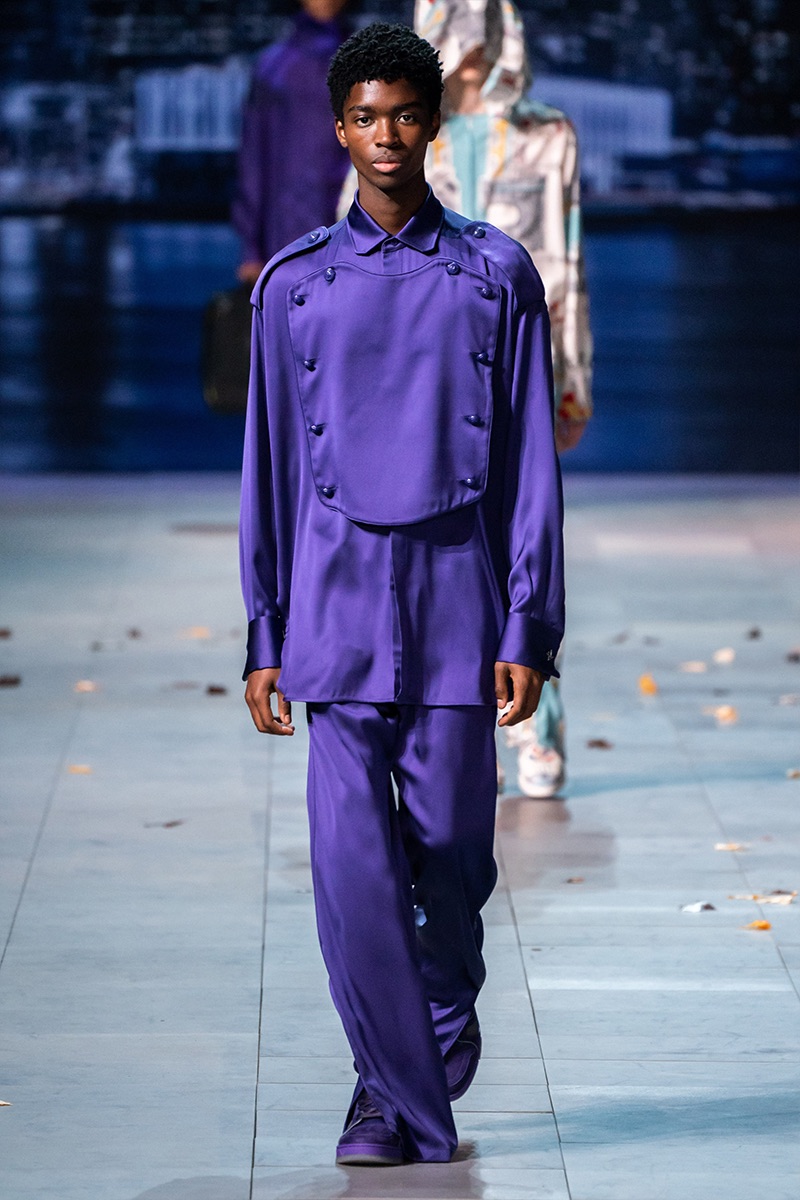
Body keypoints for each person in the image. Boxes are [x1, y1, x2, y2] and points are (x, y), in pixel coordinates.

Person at [240, 21, 564, 1166]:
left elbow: (527, 464)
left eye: (403, 115)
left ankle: (428, 1034)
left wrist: (529, 622)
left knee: (454, 859)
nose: (384, 135)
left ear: (431, 124)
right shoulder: (292, 287)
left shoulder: (496, 275)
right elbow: (270, 466)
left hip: (455, 611)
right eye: (363, 117)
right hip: (332, 614)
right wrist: (264, 632)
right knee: (350, 871)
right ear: (339, 129)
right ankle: (389, 1101)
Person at [409, 0, 591, 798]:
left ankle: (535, 726)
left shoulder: (550, 133)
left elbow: (567, 258)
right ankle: (452, 731)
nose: (468, 37)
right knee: (440, 544)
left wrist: (573, 375)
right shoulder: (409, 125)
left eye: (480, 17)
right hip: (428, 364)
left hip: (522, 357)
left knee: (526, 539)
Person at [232, 0, 353, 285]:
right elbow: (254, 158)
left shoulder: (366, 64)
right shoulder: (273, 68)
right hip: (286, 231)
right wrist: (252, 249)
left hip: (353, 223)